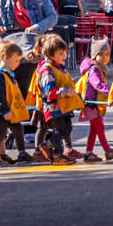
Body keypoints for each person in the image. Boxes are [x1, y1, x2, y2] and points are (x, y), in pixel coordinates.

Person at [28, 33, 82, 164]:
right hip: (53, 107)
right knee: (59, 129)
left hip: (63, 106)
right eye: (61, 54)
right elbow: (49, 92)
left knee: (67, 127)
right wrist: (65, 91)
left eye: (64, 53)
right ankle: (57, 155)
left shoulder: (58, 67)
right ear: (50, 54)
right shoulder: (47, 70)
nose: (65, 56)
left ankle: (48, 146)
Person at [0, 41, 35, 167]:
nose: (18, 63)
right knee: (0, 132)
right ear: (5, 58)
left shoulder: (8, 74)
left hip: (8, 109)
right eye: (16, 60)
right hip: (1, 110)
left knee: (18, 128)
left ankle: (22, 153)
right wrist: (5, 111)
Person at [75, 39, 113, 162]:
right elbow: (98, 85)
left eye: (107, 54)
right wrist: (112, 94)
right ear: (95, 55)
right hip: (90, 104)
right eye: (101, 54)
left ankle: (88, 153)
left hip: (93, 104)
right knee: (99, 127)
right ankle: (108, 151)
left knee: (94, 129)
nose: (105, 57)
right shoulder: (94, 70)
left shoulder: (99, 68)